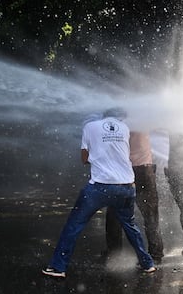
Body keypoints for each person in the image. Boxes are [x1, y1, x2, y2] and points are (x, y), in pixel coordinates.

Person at [42, 108, 156, 278]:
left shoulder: (90, 127)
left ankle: (58, 267)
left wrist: (97, 157)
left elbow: (84, 159)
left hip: (100, 186)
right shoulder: (124, 128)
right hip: (126, 186)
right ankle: (148, 264)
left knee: (74, 225)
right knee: (131, 226)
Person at [105, 131, 164, 264]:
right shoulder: (139, 116)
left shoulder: (123, 120)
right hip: (139, 167)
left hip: (132, 168)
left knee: (116, 213)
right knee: (149, 213)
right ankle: (155, 253)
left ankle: (115, 253)